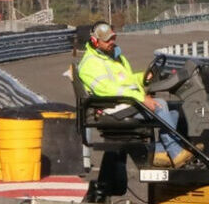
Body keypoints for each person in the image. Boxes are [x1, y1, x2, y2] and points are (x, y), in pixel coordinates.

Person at [76, 22, 186, 167]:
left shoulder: (113, 58)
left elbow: (126, 80)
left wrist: (143, 78)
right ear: (95, 41)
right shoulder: (90, 64)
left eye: (113, 38)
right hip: (112, 107)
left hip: (125, 101)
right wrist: (141, 98)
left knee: (176, 108)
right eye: (107, 40)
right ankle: (175, 152)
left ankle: (160, 151)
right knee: (161, 105)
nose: (112, 42)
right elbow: (109, 90)